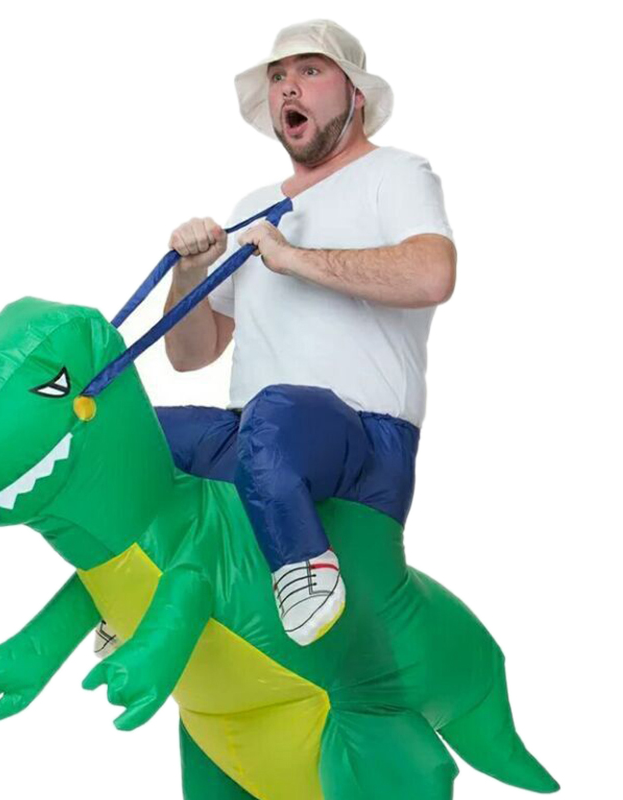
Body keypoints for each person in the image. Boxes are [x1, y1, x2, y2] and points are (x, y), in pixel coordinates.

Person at [101, 19, 456, 650]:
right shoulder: (254, 208)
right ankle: (135, 591)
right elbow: (191, 354)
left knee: (273, 413)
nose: (289, 86)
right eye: (277, 77)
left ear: (356, 95)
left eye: (310, 71)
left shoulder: (397, 174)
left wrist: (294, 259)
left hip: (365, 443)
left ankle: (307, 574)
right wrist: (190, 272)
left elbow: (433, 274)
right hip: (258, 440)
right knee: (128, 436)